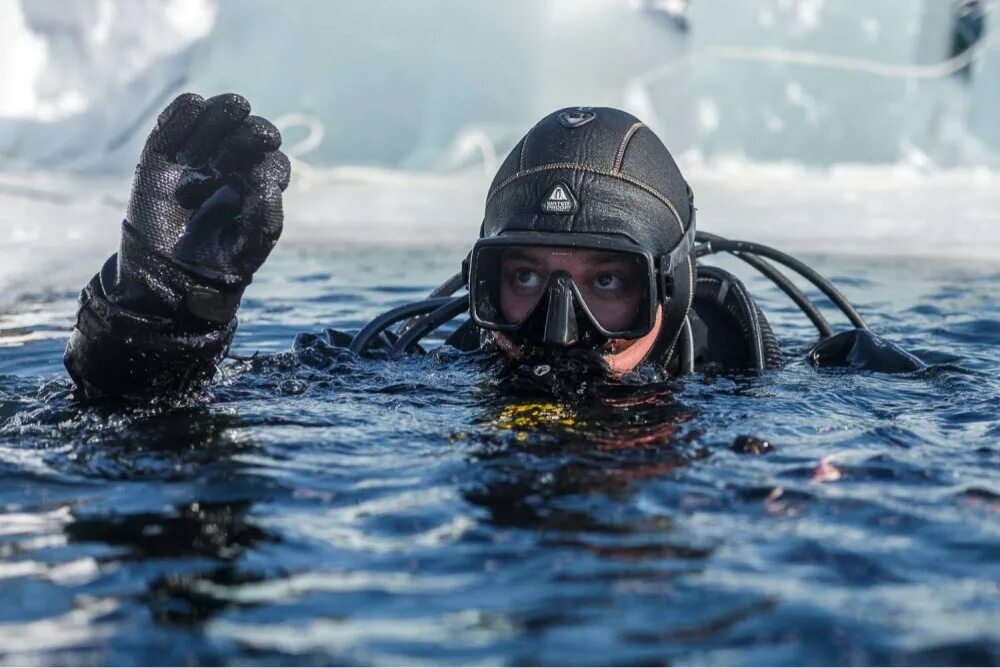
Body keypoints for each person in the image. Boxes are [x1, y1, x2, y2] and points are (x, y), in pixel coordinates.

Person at [63, 94, 923, 400]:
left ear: (675, 287)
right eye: (523, 276)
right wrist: (163, 319)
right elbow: (138, 436)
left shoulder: (806, 406)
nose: (559, 328)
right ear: (479, 282)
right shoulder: (401, 372)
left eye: (607, 284)